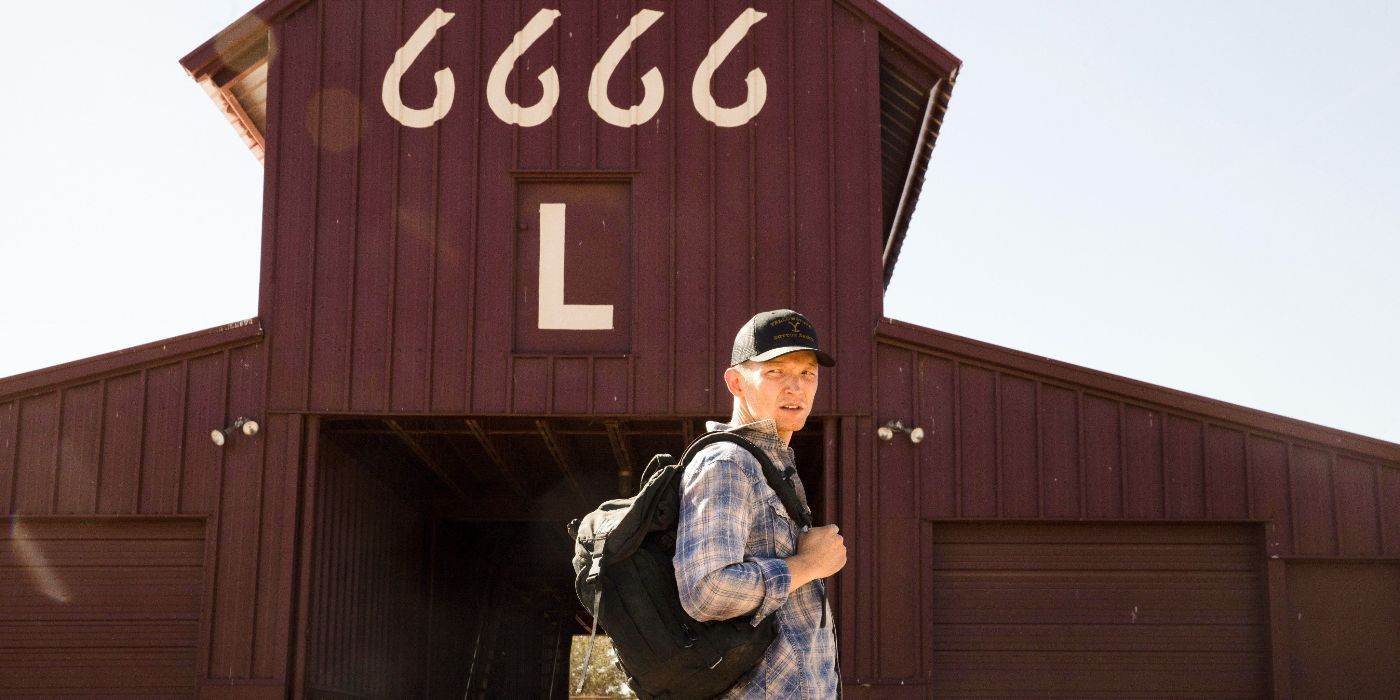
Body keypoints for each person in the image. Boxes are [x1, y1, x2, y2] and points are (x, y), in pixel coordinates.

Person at [673, 309, 846, 698]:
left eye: (806, 373)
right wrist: (808, 565)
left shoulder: (772, 465)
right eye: (775, 372)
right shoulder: (728, 464)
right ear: (736, 382)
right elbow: (707, 590)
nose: (795, 388)